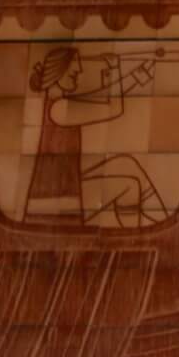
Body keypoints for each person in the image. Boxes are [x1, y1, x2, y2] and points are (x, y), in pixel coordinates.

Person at [25, 45, 169, 228]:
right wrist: (115, 69)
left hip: (67, 189)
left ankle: (160, 224)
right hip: (58, 200)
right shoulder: (59, 109)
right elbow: (113, 108)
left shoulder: (60, 105)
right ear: (58, 72)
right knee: (130, 185)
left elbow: (103, 99)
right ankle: (140, 236)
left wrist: (134, 74)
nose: (79, 70)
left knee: (127, 164)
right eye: (73, 71)